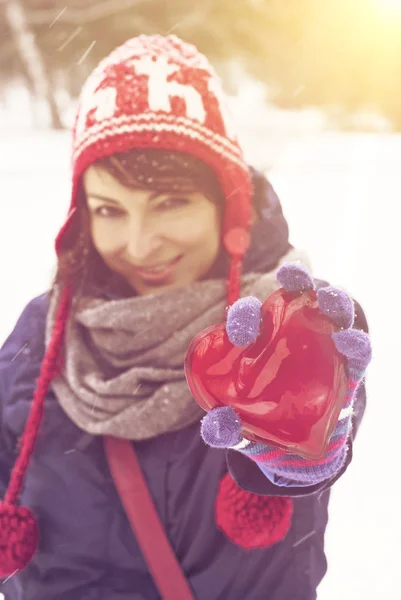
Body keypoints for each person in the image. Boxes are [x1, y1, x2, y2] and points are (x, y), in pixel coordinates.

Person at [0, 35, 371, 600]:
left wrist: (299, 452)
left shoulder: (289, 337)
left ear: (227, 203)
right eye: (109, 210)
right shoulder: (44, 336)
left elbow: (301, 469)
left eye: (170, 202)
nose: (141, 243)